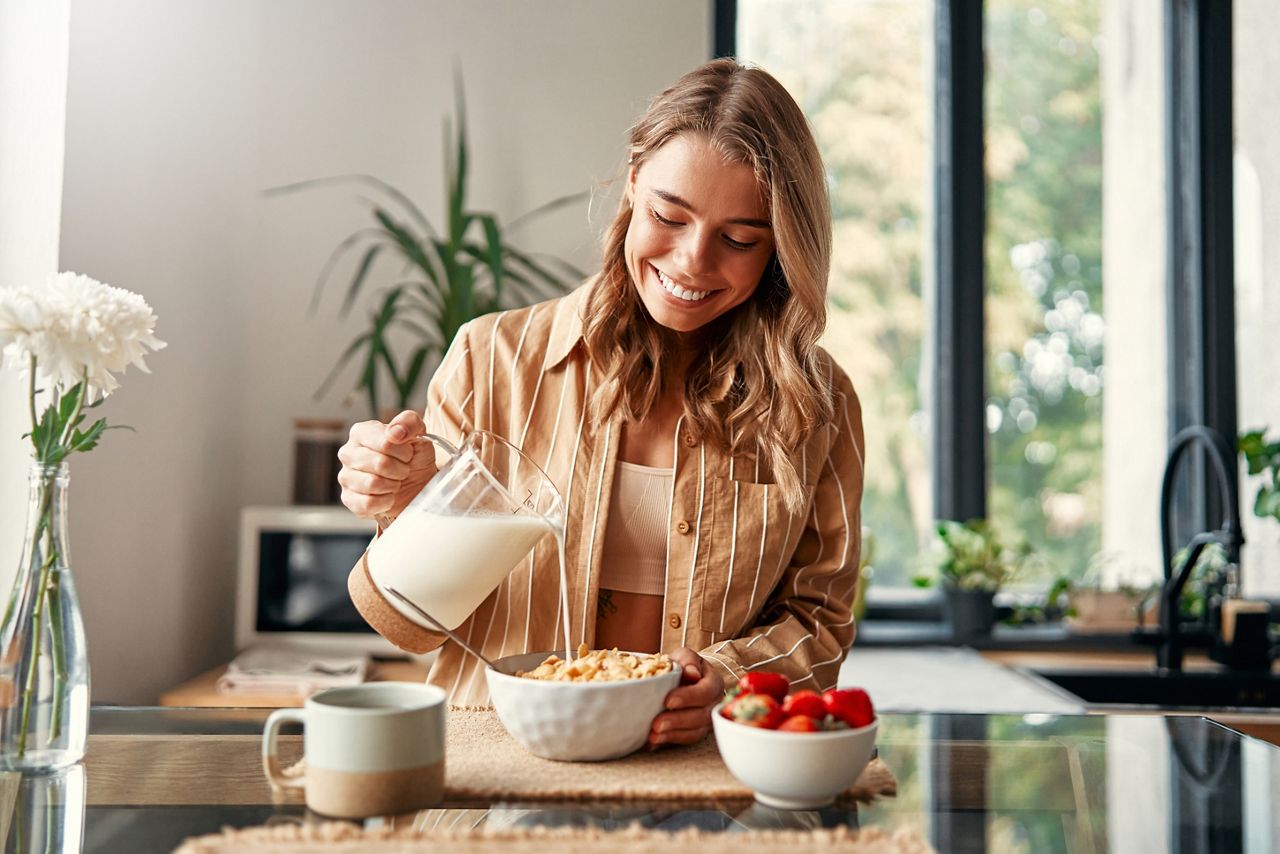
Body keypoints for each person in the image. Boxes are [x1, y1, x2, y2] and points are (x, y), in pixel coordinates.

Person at [339, 58, 864, 748]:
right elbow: (403, 625)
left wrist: (726, 676)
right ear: (634, 179)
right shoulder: (490, 359)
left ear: (781, 249)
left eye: (739, 239)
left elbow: (821, 619)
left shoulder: (816, 404)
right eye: (668, 216)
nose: (692, 262)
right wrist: (408, 509)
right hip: (497, 764)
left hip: (695, 780)